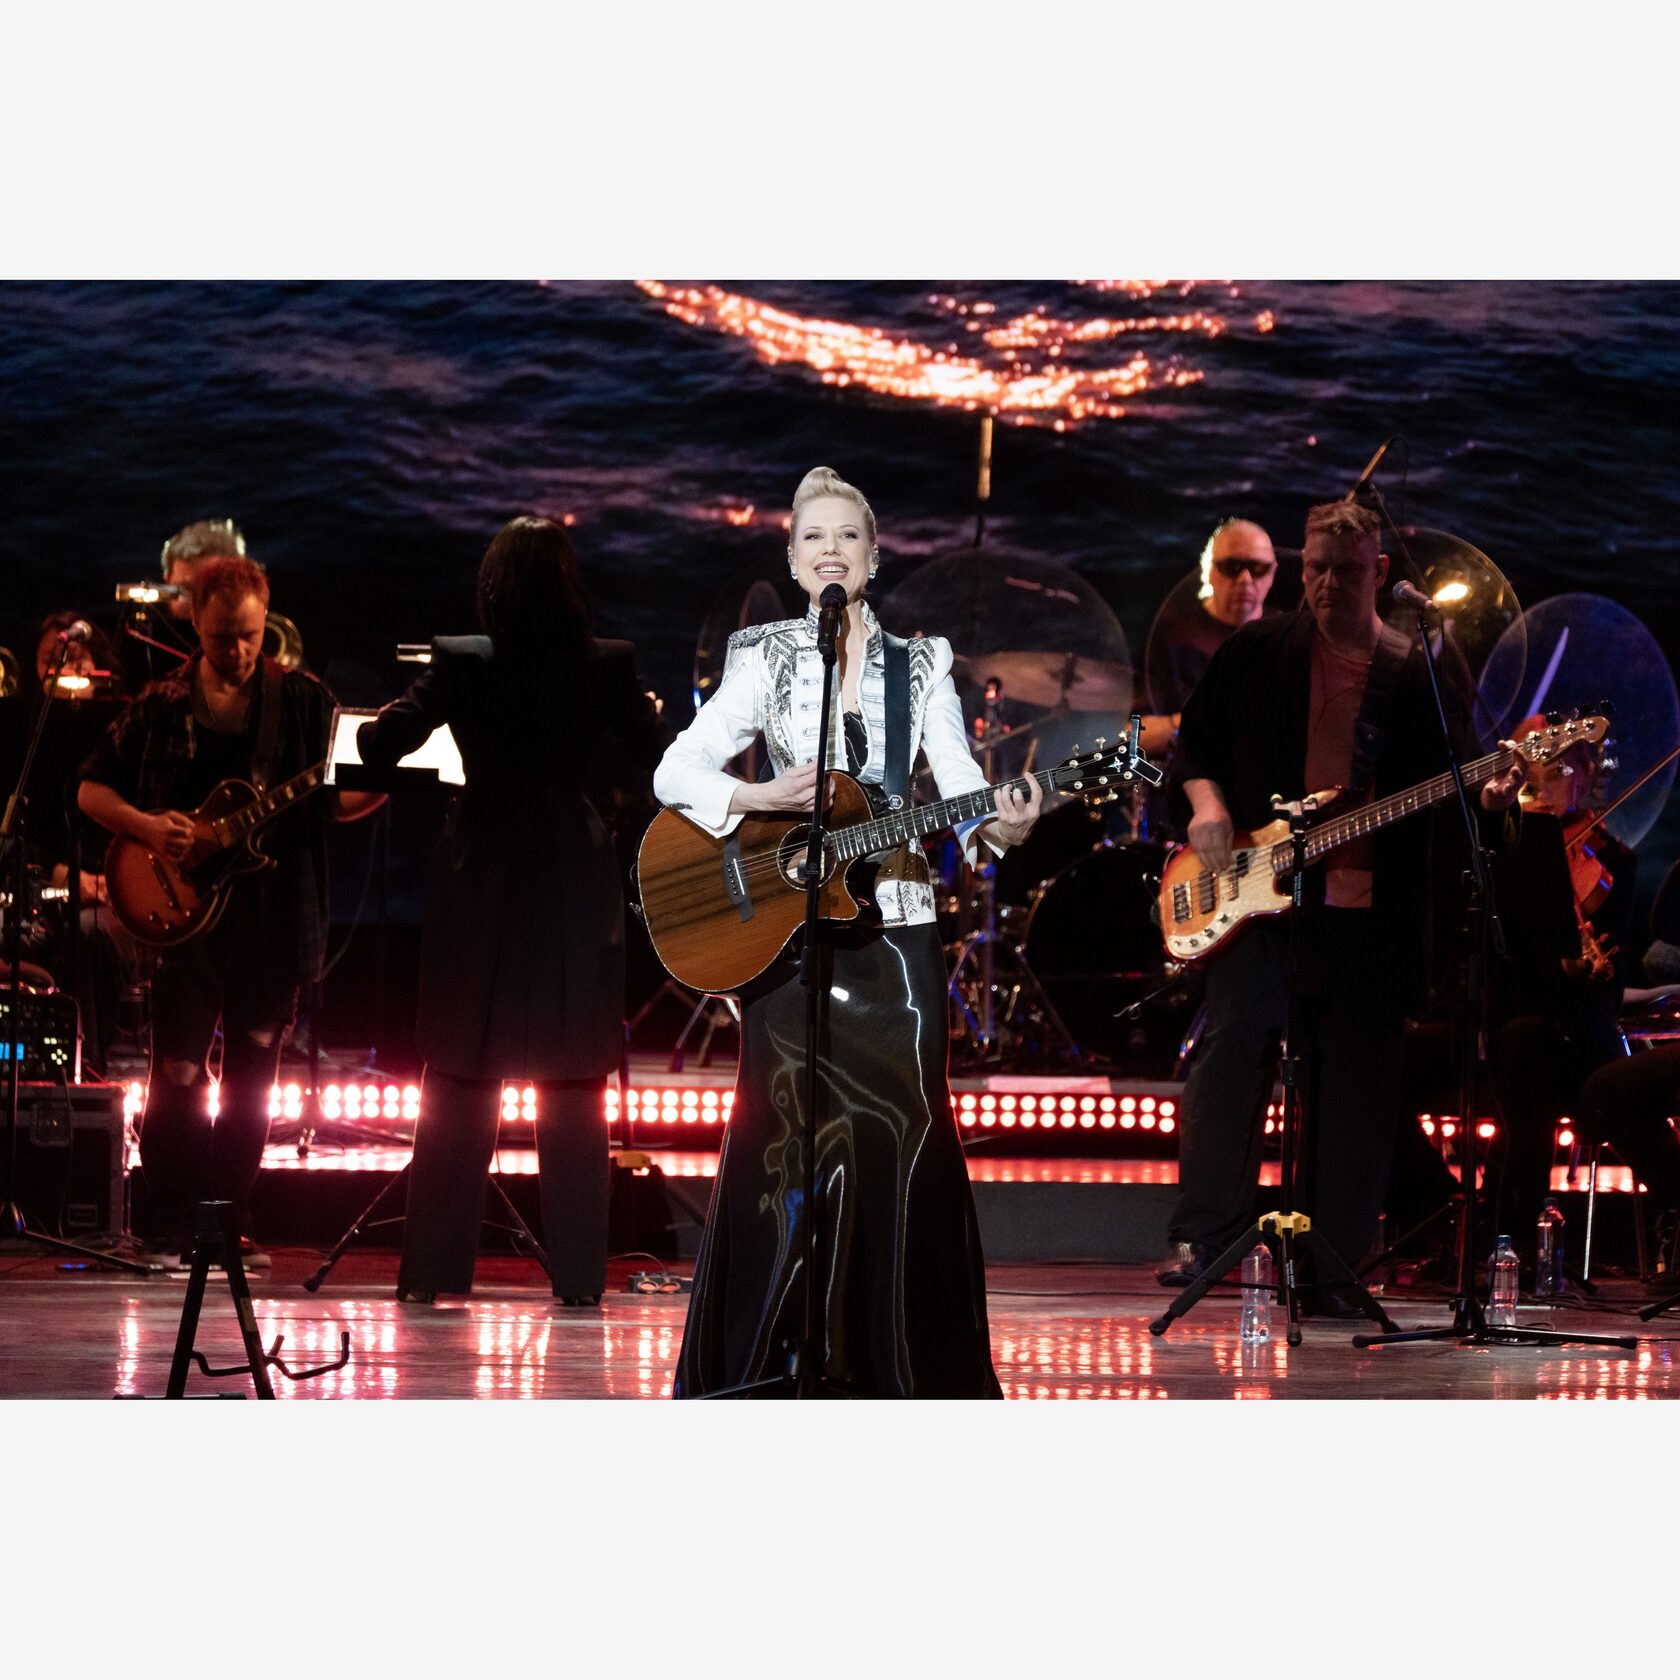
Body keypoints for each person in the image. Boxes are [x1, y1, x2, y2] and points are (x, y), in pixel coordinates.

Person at [654, 466, 1043, 1397]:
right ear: (793, 560)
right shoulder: (764, 656)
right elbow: (675, 771)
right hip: (789, 932)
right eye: (814, 537)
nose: (832, 551)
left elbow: (957, 783)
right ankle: (773, 1363)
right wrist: (757, 796)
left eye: (849, 537)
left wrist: (999, 825)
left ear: (873, 556)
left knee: (906, 1132)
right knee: (784, 1140)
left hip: (896, 932)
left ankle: (898, 1365)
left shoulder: (922, 663)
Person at [1159, 500, 1523, 1311]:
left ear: (1380, 574)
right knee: (1234, 1049)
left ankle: (1333, 1265)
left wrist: (1493, 795)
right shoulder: (1257, 649)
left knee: (1357, 1084)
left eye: (1347, 572)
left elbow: (1465, 775)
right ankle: (1203, 1235)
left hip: (1369, 917)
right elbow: (1195, 745)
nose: (1327, 584)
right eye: (1317, 568)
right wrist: (1208, 807)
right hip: (1258, 897)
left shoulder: (1417, 669)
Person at [357, 517, 669, 1305]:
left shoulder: (462, 660)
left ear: (494, 585)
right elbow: (665, 761)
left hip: (482, 865)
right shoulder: (607, 664)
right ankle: (580, 1281)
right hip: (571, 868)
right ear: (569, 587)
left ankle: (432, 1274)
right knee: (574, 1077)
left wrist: (415, 707)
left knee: (461, 1067)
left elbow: (380, 747)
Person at [77, 555, 383, 1261]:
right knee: (178, 1070)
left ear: (265, 621)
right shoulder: (161, 702)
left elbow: (336, 803)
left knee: (253, 1074)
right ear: (195, 625)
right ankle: (166, 1218)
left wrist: (387, 779)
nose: (238, 651)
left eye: (249, 635)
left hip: (274, 918)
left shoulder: (301, 701)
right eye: (221, 637)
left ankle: (228, 1220)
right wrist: (149, 827)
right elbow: (89, 789)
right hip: (182, 923)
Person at [1145, 518, 1279, 717]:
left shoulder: (1286, 633)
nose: (1245, 579)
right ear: (1208, 571)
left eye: (1258, 568)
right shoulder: (1172, 637)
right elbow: (1137, 726)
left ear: (1272, 573)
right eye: (1232, 567)